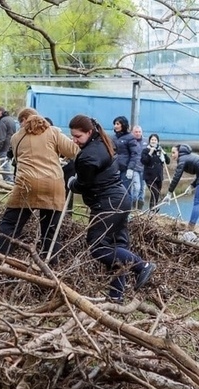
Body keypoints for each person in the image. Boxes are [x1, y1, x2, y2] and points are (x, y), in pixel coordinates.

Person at [68, 115, 156, 303]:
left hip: (106, 203)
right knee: (117, 247)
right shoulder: (102, 143)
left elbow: (83, 184)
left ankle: (142, 266)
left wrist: (72, 183)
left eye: (78, 136)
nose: (74, 140)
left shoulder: (88, 155)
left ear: (89, 132)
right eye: (73, 136)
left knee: (97, 247)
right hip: (121, 199)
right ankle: (116, 296)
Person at [0, 109, 80, 263]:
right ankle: (50, 265)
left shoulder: (16, 137)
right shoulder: (54, 132)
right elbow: (74, 151)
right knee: (50, 230)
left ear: (24, 119)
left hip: (27, 185)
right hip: (53, 185)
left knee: (11, 224)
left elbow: (16, 159)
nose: (21, 125)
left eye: (21, 122)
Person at [162, 144, 199, 238]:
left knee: (197, 202)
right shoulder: (190, 156)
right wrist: (192, 185)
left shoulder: (182, 159)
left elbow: (177, 177)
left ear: (179, 152)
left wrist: (169, 193)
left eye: (173, 152)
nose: (172, 155)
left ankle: (190, 228)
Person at [46, 116, 76, 216]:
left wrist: (62, 159)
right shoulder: (39, 139)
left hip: (66, 169)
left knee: (66, 194)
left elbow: (71, 150)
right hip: (51, 172)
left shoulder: (57, 136)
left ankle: (66, 215)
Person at [112, 116, 141, 203]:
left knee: (125, 191)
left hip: (125, 169)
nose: (115, 126)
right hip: (114, 169)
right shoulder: (113, 138)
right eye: (115, 124)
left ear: (123, 125)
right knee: (114, 191)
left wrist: (130, 168)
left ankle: (127, 212)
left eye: (118, 124)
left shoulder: (130, 138)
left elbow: (134, 154)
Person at [140, 133, 170, 212]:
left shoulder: (159, 152)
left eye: (155, 140)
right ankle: (153, 210)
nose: (153, 141)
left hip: (159, 176)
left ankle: (153, 210)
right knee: (155, 192)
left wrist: (164, 153)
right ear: (149, 141)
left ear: (158, 141)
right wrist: (150, 153)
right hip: (149, 177)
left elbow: (168, 161)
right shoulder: (146, 150)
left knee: (157, 193)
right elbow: (144, 161)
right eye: (152, 140)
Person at [0, 106, 16, 184]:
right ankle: (9, 179)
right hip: (11, 144)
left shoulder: (3, 121)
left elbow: (1, 136)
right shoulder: (10, 119)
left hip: (4, 146)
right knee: (7, 162)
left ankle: (8, 180)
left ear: (0, 112)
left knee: (4, 164)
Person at [132, 125, 148, 209]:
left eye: (139, 132)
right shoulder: (131, 141)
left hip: (144, 169)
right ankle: (134, 206)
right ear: (133, 133)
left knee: (143, 189)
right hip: (134, 168)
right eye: (136, 132)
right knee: (136, 188)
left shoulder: (146, 141)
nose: (138, 134)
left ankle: (140, 209)